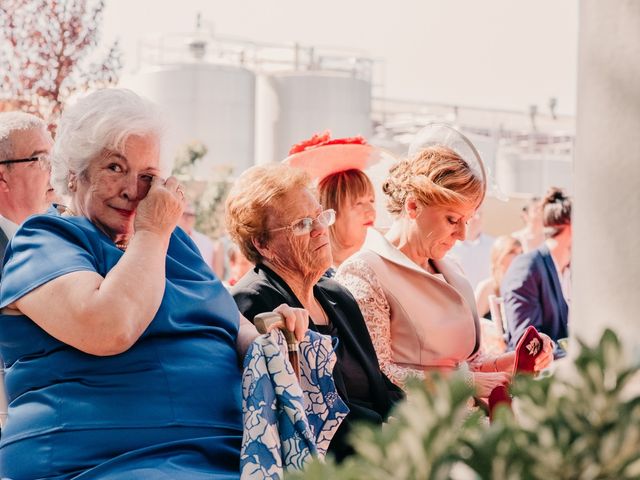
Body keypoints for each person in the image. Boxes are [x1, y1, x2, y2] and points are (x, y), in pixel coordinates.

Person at [0, 88, 307, 479]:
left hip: (226, 454)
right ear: (74, 174)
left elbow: (235, 327)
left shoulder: (174, 243)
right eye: (115, 168)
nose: (133, 190)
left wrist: (271, 337)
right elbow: (109, 327)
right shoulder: (46, 239)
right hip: (106, 460)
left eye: (147, 177)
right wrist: (153, 232)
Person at [335, 124, 553, 397]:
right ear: (413, 206)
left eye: (466, 221)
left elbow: (469, 365)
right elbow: (375, 372)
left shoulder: (454, 270)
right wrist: (466, 386)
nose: (462, 234)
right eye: (452, 219)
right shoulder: (364, 272)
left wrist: (517, 360)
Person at [226, 163, 403, 462]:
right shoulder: (253, 302)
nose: (322, 228)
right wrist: (384, 438)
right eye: (302, 224)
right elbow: (307, 411)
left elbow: (380, 384)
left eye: (320, 216)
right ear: (263, 243)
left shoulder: (336, 294)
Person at [284, 131, 379, 273]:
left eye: (371, 201)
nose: (371, 211)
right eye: (358, 203)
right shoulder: (315, 277)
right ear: (330, 212)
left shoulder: (379, 266)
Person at [502, 187, 572, 353]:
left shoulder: (571, 271)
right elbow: (528, 344)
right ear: (571, 227)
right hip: (539, 375)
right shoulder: (526, 268)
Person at [0, 111, 55, 266]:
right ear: (2, 177)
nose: (55, 170)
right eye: (42, 160)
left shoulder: (72, 234)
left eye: (54, 159)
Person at [474, 235, 523, 319]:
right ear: (499, 256)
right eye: (512, 252)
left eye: (521, 253)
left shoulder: (523, 286)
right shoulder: (487, 287)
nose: (518, 257)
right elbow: (473, 323)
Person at [448, 207, 495, 290]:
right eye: (473, 215)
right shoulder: (450, 245)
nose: (477, 218)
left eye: (480, 214)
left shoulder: (493, 245)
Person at [177, 201, 223, 277]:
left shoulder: (205, 241)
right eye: (184, 214)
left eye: (191, 215)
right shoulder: (168, 238)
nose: (188, 218)